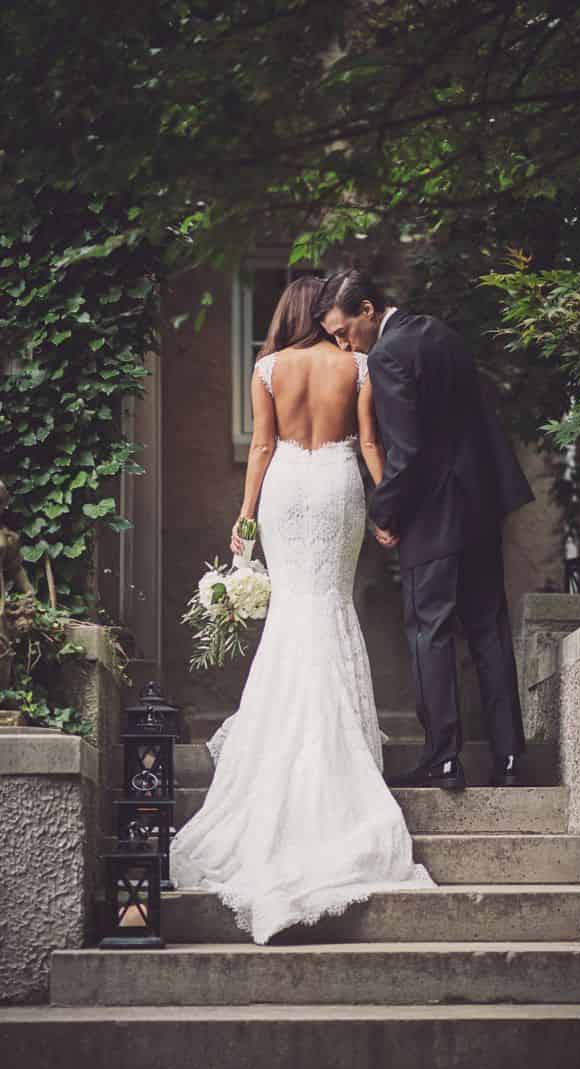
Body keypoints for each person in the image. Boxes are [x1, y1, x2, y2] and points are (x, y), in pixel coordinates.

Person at [172, 276, 434, 945]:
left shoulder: (268, 368)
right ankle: (338, 759)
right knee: (330, 602)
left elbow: (259, 447)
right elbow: (371, 445)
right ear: (322, 315)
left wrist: (245, 518)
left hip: (287, 487)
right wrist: (390, 507)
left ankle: (279, 753)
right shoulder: (357, 364)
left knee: (294, 609)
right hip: (339, 486)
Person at [315, 269, 535, 790]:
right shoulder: (442, 333)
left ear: (367, 310)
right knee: (489, 631)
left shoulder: (388, 355)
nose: (345, 344)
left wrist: (384, 513)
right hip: (481, 507)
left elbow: (408, 451)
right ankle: (509, 759)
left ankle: (443, 757)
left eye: (345, 332)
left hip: (433, 517)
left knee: (429, 632)